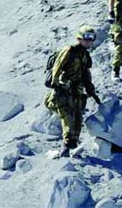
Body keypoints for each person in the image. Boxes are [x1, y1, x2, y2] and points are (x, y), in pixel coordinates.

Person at [44, 25, 101, 157]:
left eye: (92, 38)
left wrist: (91, 91)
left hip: (77, 92)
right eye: (87, 37)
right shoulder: (69, 50)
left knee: (77, 120)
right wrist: (55, 82)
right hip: (63, 90)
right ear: (80, 37)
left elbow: (86, 75)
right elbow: (57, 66)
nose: (89, 41)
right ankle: (65, 148)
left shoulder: (85, 55)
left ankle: (73, 148)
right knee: (68, 118)